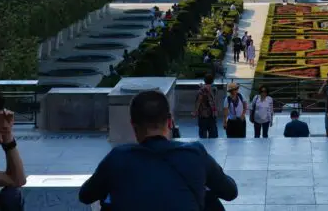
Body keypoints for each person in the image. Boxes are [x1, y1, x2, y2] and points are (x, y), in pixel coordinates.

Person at [79, 90, 237, 211]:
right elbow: (230, 192)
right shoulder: (195, 154)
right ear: (169, 122)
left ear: (133, 126)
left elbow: (85, 196)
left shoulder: (118, 158)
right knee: (209, 197)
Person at [194, 73, 218, 139]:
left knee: (202, 135)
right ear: (212, 81)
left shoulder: (201, 91)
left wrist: (195, 111)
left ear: (204, 80)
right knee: (213, 136)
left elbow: (198, 101)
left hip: (203, 115)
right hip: (212, 114)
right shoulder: (214, 89)